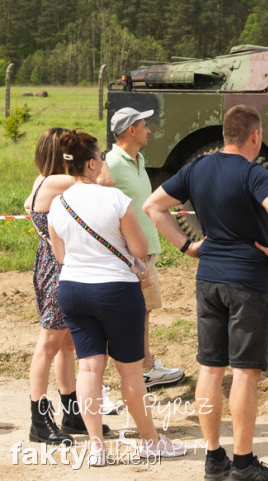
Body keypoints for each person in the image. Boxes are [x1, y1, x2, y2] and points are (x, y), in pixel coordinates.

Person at [144, 105, 268, 481]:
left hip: (207, 280)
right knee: (244, 373)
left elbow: (153, 206)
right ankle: (243, 464)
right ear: (254, 136)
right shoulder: (254, 172)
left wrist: (187, 246)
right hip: (247, 282)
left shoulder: (197, 167)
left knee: (209, 368)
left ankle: (214, 459)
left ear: (226, 134)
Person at [47, 130, 186, 466]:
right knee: (130, 372)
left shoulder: (58, 202)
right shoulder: (115, 199)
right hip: (116, 291)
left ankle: (97, 447)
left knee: (90, 368)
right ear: (94, 163)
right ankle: (150, 441)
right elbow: (139, 249)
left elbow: (60, 255)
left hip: (73, 289)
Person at [103, 107, 185, 388]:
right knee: (126, 314)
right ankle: (131, 372)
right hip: (129, 256)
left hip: (145, 252)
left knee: (144, 311)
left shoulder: (136, 159)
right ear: (130, 131)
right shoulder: (111, 164)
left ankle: (145, 367)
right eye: (144, 125)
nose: (149, 130)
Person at [24, 128, 80, 445]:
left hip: (55, 265)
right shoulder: (58, 181)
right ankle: (38, 419)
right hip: (57, 269)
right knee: (48, 344)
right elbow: (98, 179)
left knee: (66, 344)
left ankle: (71, 412)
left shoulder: (44, 180)